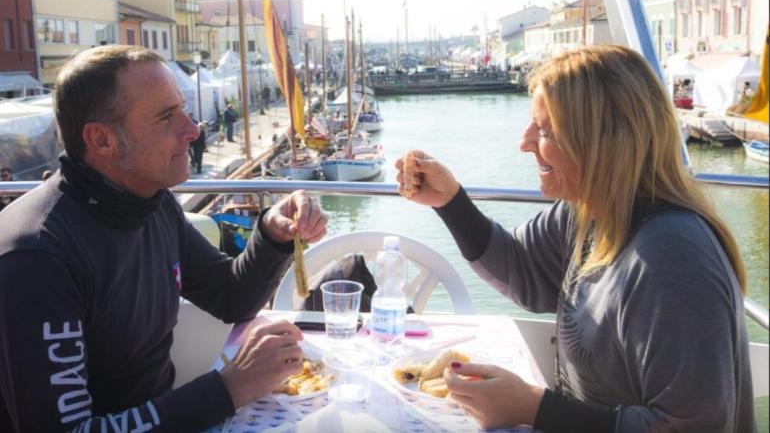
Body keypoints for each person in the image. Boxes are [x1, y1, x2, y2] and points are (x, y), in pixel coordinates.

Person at [395, 45, 754, 432]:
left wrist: (534, 409)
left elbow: (695, 426)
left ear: (603, 141)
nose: (525, 142)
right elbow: (521, 269)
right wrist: (451, 203)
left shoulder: (673, 259)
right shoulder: (588, 214)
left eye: (545, 130)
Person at [0, 45, 329, 431]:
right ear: (102, 140)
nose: (193, 130)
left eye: (185, 110)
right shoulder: (36, 258)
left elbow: (231, 297)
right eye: (166, 117)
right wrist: (230, 388)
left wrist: (272, 235)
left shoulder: (151, 203)